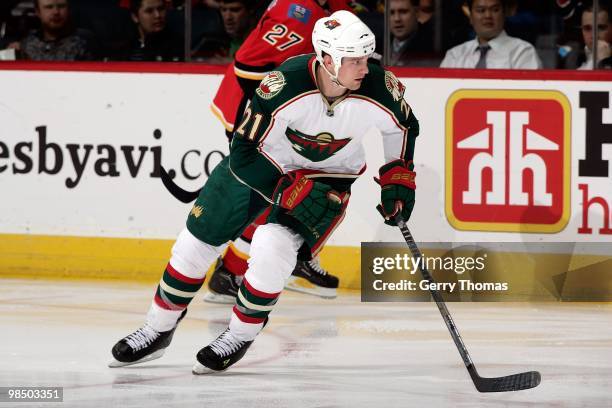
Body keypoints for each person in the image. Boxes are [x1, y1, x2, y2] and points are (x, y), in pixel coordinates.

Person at [109, 10, 419, 374]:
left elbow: (403, 127)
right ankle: (157, 328)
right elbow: (242, 150)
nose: (363, 68)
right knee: (195, 243)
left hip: (328, 177)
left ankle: (239, 335)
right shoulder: (283, 84)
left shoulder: (380, 87)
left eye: (365, 58)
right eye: (353, 59)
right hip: (261, 164)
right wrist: (283, 189)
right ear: (327, 58)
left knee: (273, 247)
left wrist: (397, 175)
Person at [203, 0, 354, 303]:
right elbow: (248, 64)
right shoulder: (298, 11)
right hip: (263, 116)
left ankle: (290, 257)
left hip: (290, 114)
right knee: (281, 194)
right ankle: (231, 272)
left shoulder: (321, 8)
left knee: (313, 187)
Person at [440, 0, 541, 69]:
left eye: (495, 10)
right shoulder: (454, 56)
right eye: (481, 10)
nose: (488, 15)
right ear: (470, 17)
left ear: (504, 14)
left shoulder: (522, 52)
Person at [16, 0, 98, 61]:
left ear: (69, 9)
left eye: (61, 6)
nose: (56, 12)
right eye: (49, 7)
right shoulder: (26, 44)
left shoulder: (85, 43)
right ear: (38, 12)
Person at [115, 0, 183, 61]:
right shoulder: (124, 47)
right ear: (135, 17)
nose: (157, 15)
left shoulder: (178, 46)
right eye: (149, 11)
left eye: (161, 9)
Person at [388, 0, 433, 66]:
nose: (397, 19)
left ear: (417, 12)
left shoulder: (431, 45)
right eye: (391, 13)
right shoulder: (376, 45)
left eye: (403, 12)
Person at [577, 3, 612, 69]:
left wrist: (605, 61)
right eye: (587, 28)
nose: (594, 35)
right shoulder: (576, 57)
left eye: (601, 28)